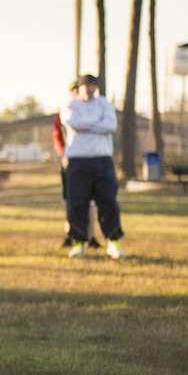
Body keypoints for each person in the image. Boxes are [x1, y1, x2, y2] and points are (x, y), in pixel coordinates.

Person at [59, 74, 125, 259]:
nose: (89, 89)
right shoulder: (70, 104)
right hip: (78, 162)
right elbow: (73, 123)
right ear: (79, 88)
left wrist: (86, 124)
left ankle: (113, 242)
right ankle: (78, 243)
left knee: (108, 201)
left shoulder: (104, 104)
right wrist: (97, 121)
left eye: (92, 85)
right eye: (85, 85)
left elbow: (110, 125)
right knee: (77, 203)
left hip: (102, 160)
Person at [52, 80, 100, 249]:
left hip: (90, 160)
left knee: (91, 201)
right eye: (73, 91)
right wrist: (63, 154)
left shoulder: (93, 109)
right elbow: (57, 136)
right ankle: (71, 233)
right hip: (70, 160)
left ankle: (91, 235)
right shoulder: (65, 112)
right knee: (71, 199)